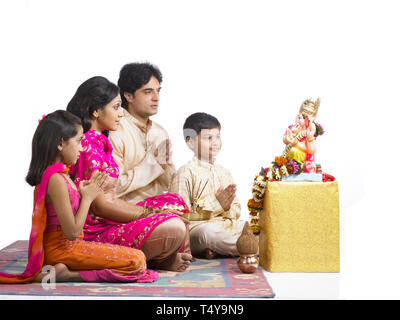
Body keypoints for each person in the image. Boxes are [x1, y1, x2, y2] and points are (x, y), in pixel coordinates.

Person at [0, 110, 157, 283]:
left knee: (138, 258)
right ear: (60, 144)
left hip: (70, 247)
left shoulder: (62, 175)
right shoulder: (55, 179)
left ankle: (65, 270)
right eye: (79, 141)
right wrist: (88, 198)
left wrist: (83, 193)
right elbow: (73, 232)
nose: (82, 148)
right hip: (61, 250)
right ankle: (67, 274)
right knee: (135, 262)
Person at [67, 76, 192, 272]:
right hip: (96, 232)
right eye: (116, 107)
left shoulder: (101, 143)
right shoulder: (89, 148)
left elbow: (112, 198)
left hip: (111, 218)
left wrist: (155, 212)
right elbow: (101, 207)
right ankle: (160, 259)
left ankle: (162, 256)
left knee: (174, 202)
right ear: (96, 111)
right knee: (174, 227)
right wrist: (150, 214)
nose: (121, 114)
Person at [169, 112, 245, 259]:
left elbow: (237, 210)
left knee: (254, 226)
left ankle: (221, 249)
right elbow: (180, 215)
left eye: (218, 136)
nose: (215, 142)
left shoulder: (224, 172)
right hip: (198, 231)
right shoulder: (186, 173)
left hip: (226, 227)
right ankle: (251, 247)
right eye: (208, 138)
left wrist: (227, 208)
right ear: (190, 142)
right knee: (208, 233)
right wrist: (218, 205)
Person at [108, 62, 175, 204]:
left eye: (158, 91)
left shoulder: (160, 132)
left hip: (161, 210)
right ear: (128, 96)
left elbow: (170, 183)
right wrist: (152, 166)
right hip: (126, 214)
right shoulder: (115, 129)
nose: (156, 98)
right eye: (148, 92)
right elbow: (111, 189)